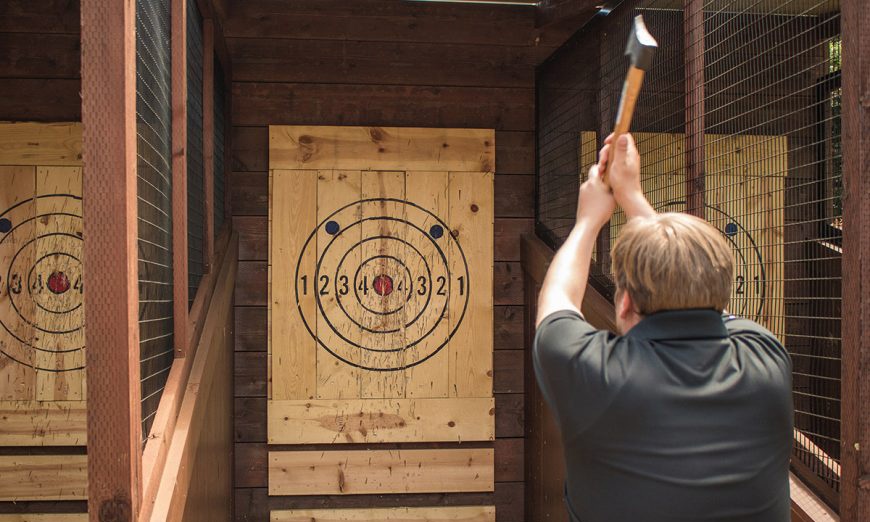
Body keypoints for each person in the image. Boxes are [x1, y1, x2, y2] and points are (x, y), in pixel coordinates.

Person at [533, 133, 793, 522]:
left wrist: (589, 220)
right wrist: (631, 195)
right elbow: (689, 276)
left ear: (625, 303)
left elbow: (557, 298)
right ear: (720, 293)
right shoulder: (766, 357)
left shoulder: (593, 372)